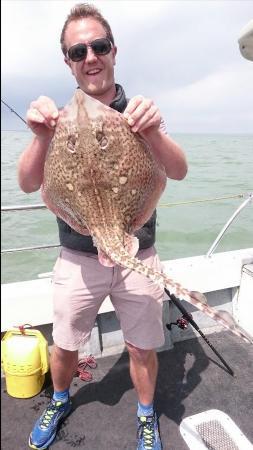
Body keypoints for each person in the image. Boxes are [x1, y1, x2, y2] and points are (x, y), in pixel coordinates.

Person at [18, 4, 187, 450]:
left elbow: (178, 170)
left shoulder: (138, 112)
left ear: (113, 51)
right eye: (79, 50)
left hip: (137, 254)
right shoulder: (56, 121)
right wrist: (41, 136)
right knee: (66, 344)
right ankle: (58, 399)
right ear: (68, 61)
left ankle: (146, 414)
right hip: (78, 256)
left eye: (99, 46)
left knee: (141, 346)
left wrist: (151, 132)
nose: (90, 56)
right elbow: (29, 183)